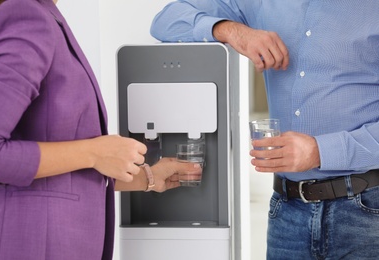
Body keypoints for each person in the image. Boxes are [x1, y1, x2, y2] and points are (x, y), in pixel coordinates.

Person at [151, 1, 379, 259]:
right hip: (287, 211)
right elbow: (165, 20)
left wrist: (320, 151)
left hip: (367, 213)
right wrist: (234, 31)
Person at [0, 0, 201, 259]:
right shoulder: (26, 15)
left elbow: (58, 170)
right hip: (34, 244)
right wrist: (94, 152)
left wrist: (148, 178)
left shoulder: (46, 16)